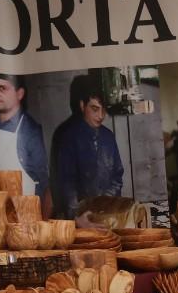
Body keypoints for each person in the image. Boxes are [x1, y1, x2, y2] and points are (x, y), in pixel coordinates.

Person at [52, 81, 124, 220]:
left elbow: (117, 175)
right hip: (81, 216)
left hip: (109, 212)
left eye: (104, 110)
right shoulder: (68, 137)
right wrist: (76, 217)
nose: (101, 116)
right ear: (82, 105)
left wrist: (106, 203)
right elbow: (67, 183)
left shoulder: (108, 136)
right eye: (95, 109)